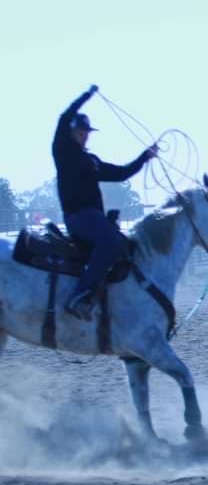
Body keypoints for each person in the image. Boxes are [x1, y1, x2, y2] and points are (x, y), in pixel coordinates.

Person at [52, 85, 157, 321]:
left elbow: (121, 173)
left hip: (92, 217)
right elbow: (64, 117)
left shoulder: (91, 161)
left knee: (122, 245)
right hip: (79, 216)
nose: (84, 134)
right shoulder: (62, 151)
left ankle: (105, 298)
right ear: (70, 132)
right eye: (80, 130)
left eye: (87, 131)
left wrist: (145, 156)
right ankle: (80, 294)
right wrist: (87, 96)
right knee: (109, 241)